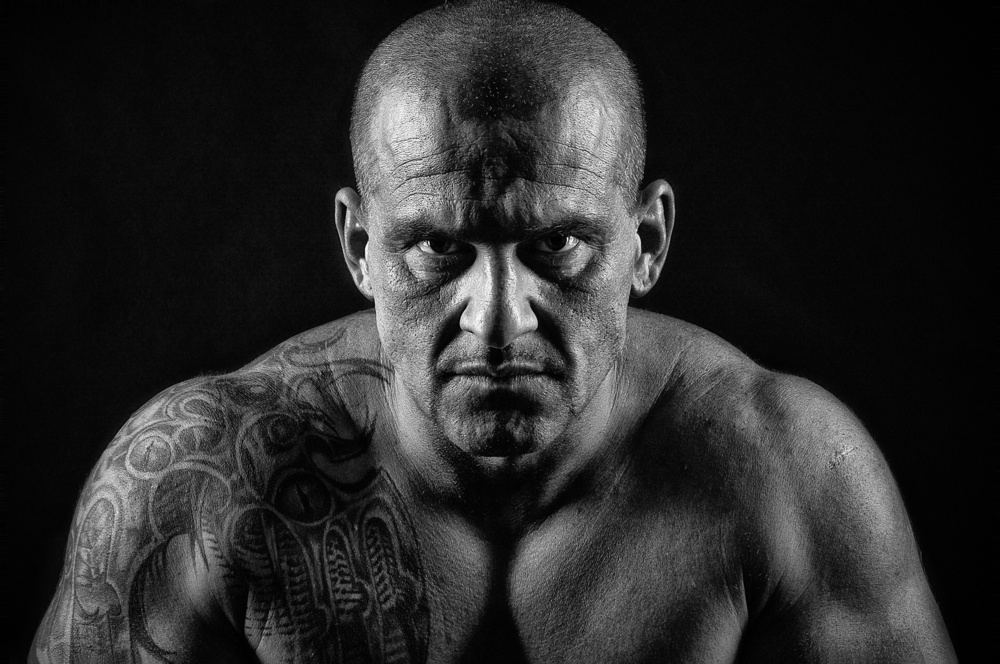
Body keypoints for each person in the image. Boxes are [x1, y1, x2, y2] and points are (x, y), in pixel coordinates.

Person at [31, 1, 956, 662]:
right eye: (438, 248)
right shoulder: (198, 484)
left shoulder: (789, 473)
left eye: (557, 245)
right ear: (359, 248)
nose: (500, 319)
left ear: (646, 242)